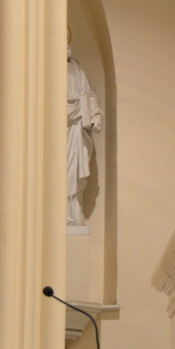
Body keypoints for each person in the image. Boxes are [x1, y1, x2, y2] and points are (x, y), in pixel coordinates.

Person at [67, 44, 104, 225]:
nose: (68, 48)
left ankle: (74, 217)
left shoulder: (76, 67)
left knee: (75, 174)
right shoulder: (45, 67)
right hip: (59, 132)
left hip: (77, 129)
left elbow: (89, 93)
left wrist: (95, 113)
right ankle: (61, 217)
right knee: (59, 173)